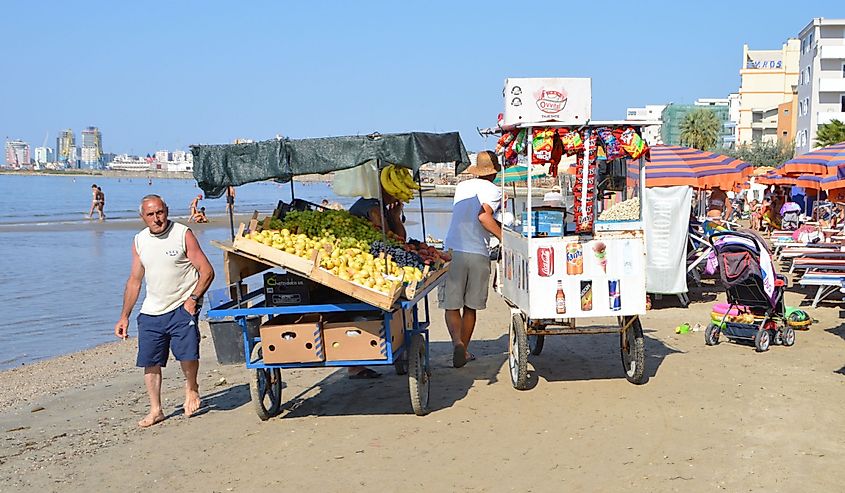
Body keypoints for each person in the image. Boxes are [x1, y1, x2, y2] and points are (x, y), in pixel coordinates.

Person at [114, 194, 215, 428]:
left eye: (160, 212)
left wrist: (192, 300)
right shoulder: (139, 240)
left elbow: (207, 271)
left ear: (166, 211)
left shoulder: (182, 234)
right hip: (151, 311)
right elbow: (134, 281)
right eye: (150, 214)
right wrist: (124, 316)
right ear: (143, 217)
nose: (156, 219)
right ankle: (156, 409)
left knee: (187, 355)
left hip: (182, 307)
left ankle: (191, 388)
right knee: (151, 361)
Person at [440, 151, 502, 368]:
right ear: (494, 172)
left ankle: (457, 343)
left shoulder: (462, 187)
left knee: (451, 304)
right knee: (470, 307)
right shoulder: (494, 190)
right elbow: (483, 216)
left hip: (453, 249)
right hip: (477, 252)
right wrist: (504, 237)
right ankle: (464, 350)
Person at [343, 189, 407, 379]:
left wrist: (396, 217)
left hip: (371, 266)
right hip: (358, 266)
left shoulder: (385, 208)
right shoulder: (373, 208)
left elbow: (400, 240)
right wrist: (392, 221)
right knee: (365, 311)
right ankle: (356, 365)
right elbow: (386, 238)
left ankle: (396, 347)